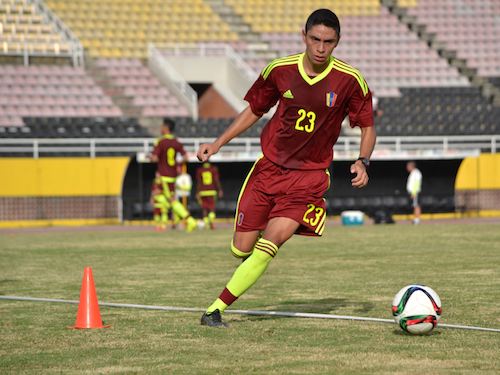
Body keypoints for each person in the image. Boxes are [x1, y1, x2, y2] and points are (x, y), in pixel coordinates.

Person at [196, 8, 376, 327]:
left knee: (269, 244)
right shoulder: (279, 70)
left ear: (337, 42)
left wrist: (363, 160)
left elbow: (366, 126)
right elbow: (253, 110)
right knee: (242, 249)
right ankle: (246, 250)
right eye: (315, 39)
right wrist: (218, 142)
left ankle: (215, 310)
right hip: (268, 170)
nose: (321, 48)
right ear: (303, 36)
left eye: (328, 42)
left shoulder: (350, 80)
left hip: (309, 179)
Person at [150, 118, 197, 233]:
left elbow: (155, 158)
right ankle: (164, 224)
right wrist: (178, 165)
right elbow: (186, 157)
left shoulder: (160, 142)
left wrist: (151, 157)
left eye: (162, 126)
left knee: (172, 201)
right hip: (172, 175)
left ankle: (190, 220)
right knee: (164, 199)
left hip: (164, 175)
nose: (161, 129)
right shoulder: (177, 142)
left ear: (166, 128)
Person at [195, 162, 223, 229]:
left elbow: (199, 182)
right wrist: (219, 190)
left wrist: (197, 192)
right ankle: (211, 222)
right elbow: (216, 180)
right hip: (212, 191)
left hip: (203, 192)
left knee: (204, 208)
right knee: (212, 208)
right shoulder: (213, 169)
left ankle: (206, 224)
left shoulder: (200, 170)